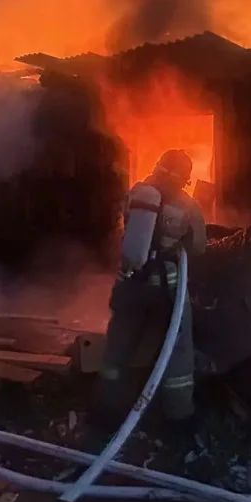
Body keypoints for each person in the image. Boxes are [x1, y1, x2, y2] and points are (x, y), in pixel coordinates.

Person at [96, 149, 207, 426]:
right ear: (185, 178)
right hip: (166, 292)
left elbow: (126, 225)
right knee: (177, 349)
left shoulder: (136, 194)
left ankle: (108, 408)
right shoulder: (188, 206)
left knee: (118, 345)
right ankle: (178, 413)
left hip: (131, 284)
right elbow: (199, 247)